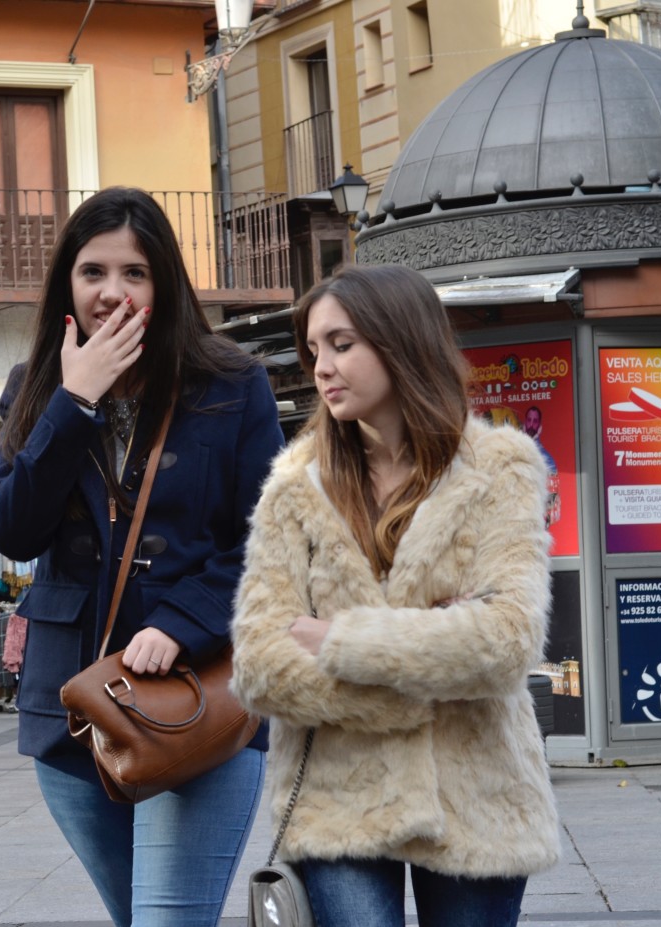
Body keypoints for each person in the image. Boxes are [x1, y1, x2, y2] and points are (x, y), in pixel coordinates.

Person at [0, 186, 284, 927]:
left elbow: (272, 540)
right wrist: (73, 402)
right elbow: (11, 530)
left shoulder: (233, 384)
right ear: (68, 287)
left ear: (163, 282)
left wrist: (186, 621)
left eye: (135, 273)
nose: (112, 292)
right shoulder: (38, 387)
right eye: (93, 272)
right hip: (70, 707)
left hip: (195, 693)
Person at [230, 264, 559, 927]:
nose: (323, 366)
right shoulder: (293, 488)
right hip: (338, 795)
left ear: (401, 340)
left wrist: (344, 642)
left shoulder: (500, 468)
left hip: (475, 792)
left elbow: (506, 640)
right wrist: (430, 659)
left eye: (342, 343)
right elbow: (260, 665)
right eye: (314, 349)